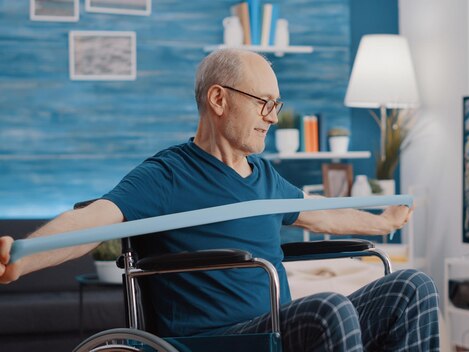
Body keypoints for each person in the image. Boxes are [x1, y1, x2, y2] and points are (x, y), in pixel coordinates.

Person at [0, 49, 439, 351]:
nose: (272, 115)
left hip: (276, 328)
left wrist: (381, 222)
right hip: (214, 339)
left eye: (276, 104)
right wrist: (21, 257)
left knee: (411, 287)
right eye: (264, 102)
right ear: (218, 99)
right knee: (330, 306)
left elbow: (322, 212)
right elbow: (95, 222)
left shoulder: (264, 175)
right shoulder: (168, 174)